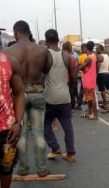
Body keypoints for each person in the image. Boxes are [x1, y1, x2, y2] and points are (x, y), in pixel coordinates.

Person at [5, 20, 52, 177]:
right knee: (38, 132)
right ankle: (42, 169)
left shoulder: (9, 52)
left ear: (16, 33)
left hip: (19, 97)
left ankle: (23, 168)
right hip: (37, 94)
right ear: (28, 31)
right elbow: (46, 69)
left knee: (21, 132)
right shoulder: (43, 50)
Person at [44, 29, 76, 163]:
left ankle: (55, 148)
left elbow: (40, 75)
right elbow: (73, 78)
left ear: (46, 41)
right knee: (68, 126)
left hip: (50, 97)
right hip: (65, 97)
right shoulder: (67, 56)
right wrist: (70, 92)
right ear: (58, 40)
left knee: (44, 124)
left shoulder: (45, 55)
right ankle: (71, 154)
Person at [0, 51, 24, 188]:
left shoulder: (10, 61)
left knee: (6, 167)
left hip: (7, 130)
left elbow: (19, 92)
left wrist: (18, 123)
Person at [79, 41, 98, 120]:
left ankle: (95, 114)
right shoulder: (94, 56)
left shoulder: (88, 58)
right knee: (89, 98)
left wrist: (81, 67)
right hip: (91, 79)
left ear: (86, 48)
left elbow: (80, 67)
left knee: (91, 98)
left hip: (88, 80)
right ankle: (89, 113)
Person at [96, 44, 109, 110]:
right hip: (107, 74)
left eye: (97, 49)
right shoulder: (107, 56)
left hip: (101, 74)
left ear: (100, 49)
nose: (96, 50)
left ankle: (105, 103)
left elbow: (98, 67)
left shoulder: (100, 57)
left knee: (102, 90)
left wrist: (96, 74)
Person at [62, 41, 79, 110]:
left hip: (63, 79)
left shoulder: (61, 57)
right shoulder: (72, 57)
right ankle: (71, 107)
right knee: (72, 93)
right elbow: (75, 69)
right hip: (71, 79)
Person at [76, 44, 87, 110]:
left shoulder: (80, 57)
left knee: (82, 90)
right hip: (90, 76)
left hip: (83, 75)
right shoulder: (90, 56)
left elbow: (79, 67)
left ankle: (79, 104)